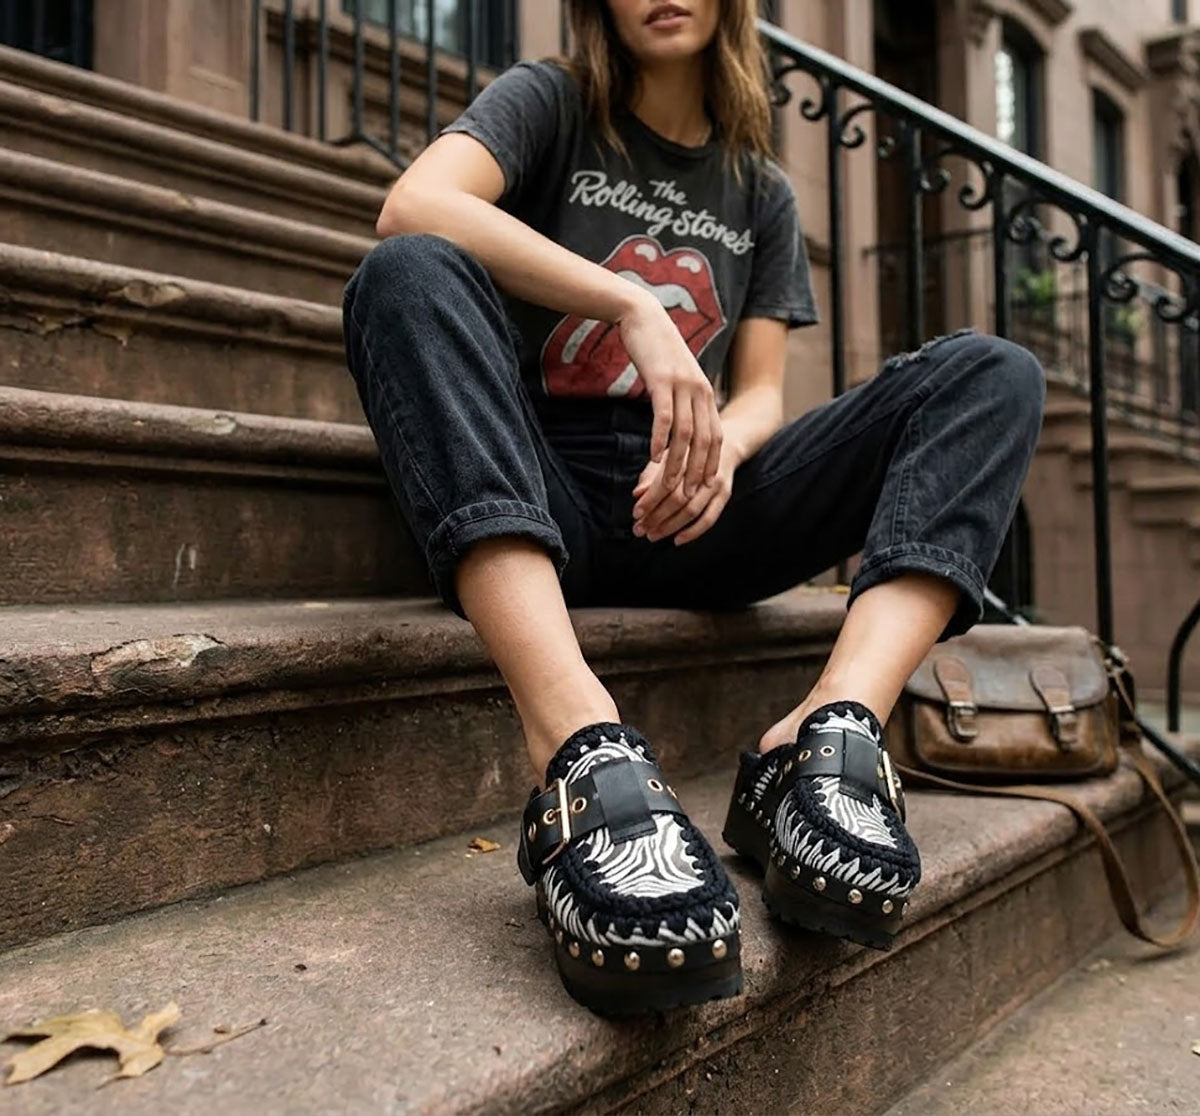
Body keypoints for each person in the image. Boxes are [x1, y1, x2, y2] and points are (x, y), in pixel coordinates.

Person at [342, 0, 1044, 1017]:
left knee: (992, 373)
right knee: (405, 272)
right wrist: (630, 305)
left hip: (699, 499)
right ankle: (577, 746)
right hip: (543, 490)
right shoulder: (550, 103)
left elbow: (761, 387)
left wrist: (720, 448)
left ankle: (828, 729)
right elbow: (416, 203)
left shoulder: (759, 187)